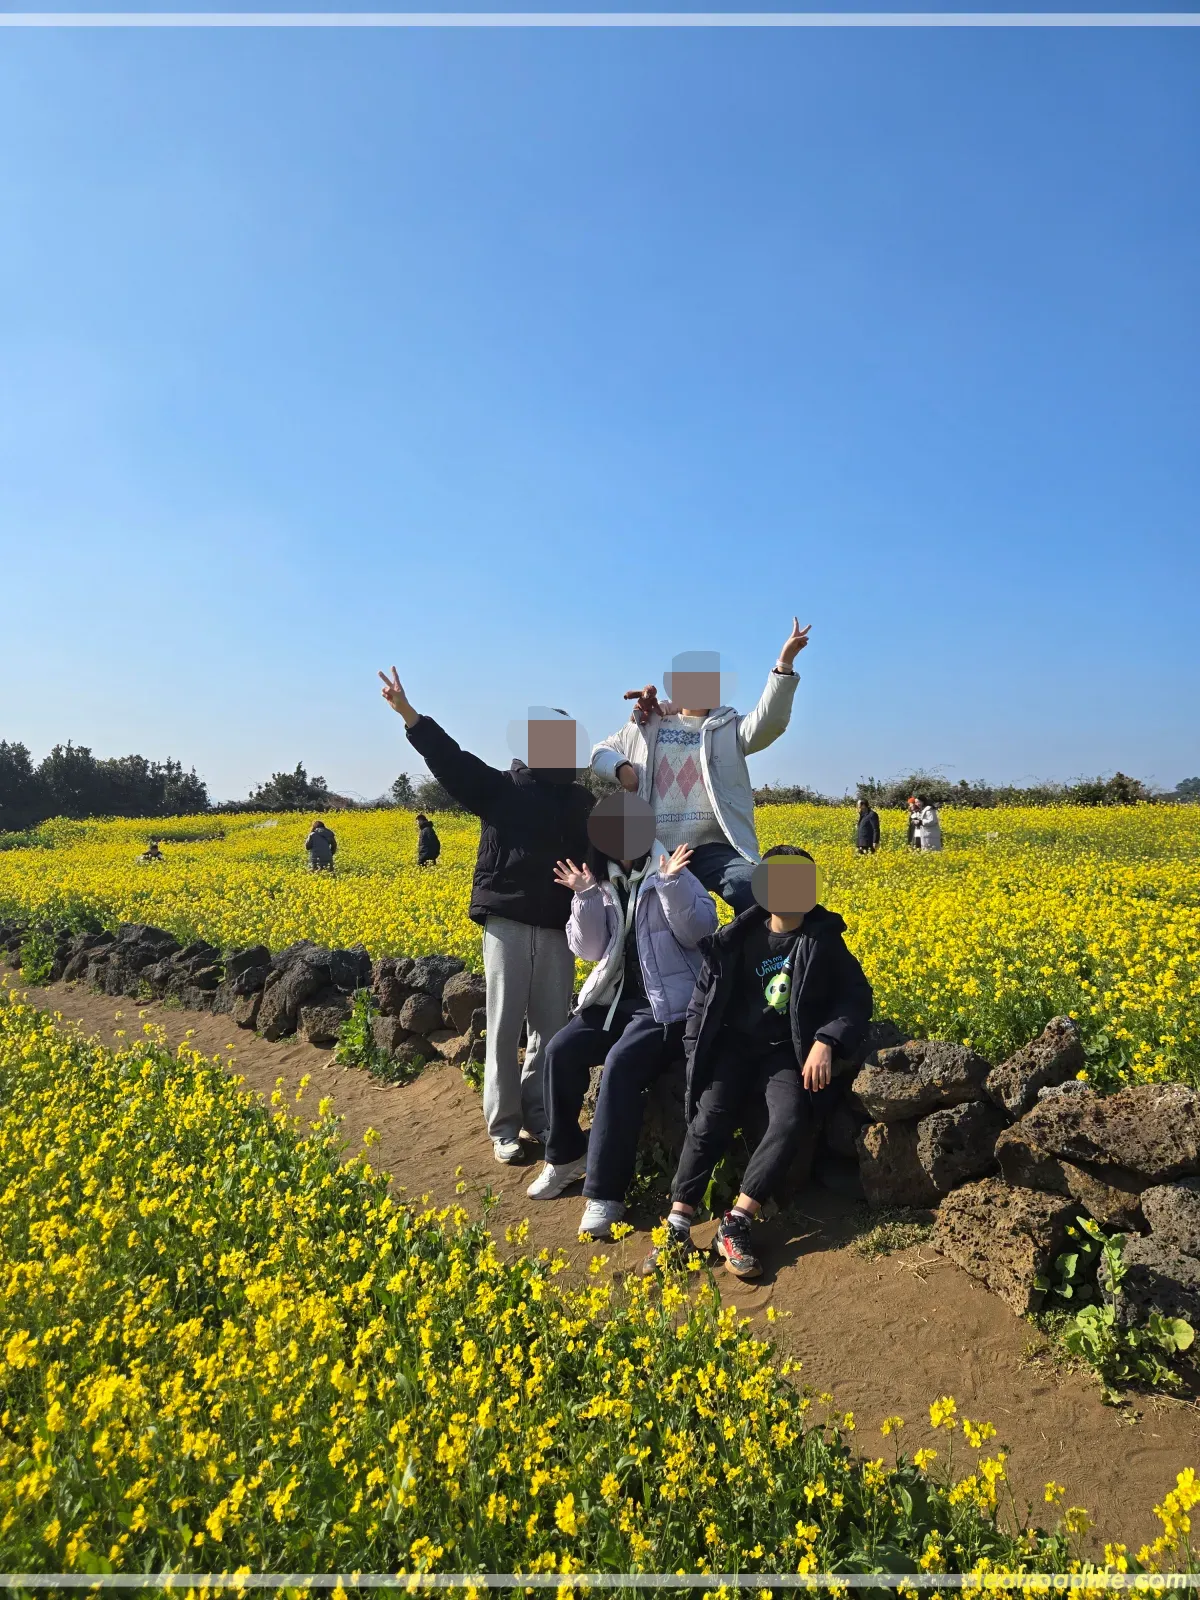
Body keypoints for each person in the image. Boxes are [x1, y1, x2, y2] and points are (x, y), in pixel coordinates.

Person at [379, 667, 594, 1164]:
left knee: (551, 1029)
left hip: (560, 926)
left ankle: (540, 1114)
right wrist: (410, 716)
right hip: (508, 922)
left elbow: (601, 854)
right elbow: (451, 763)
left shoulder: (582, 802)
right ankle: (504, 1126)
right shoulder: (502, 788)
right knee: (501, 1026)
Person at [642, 844, 872, 1282]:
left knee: (787, 1119)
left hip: (785, 1052)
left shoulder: (823, 940)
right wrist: (696, 1050)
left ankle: (737, 1222)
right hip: (732, 1048)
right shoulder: (736, 939)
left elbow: (855, 999)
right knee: (710, 1117)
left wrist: (826, 1041)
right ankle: (677, 1223)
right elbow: (700, 1003)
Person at [527, 832, 718, 1240]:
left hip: (667, 1006)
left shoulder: (673, 869)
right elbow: (590, 950)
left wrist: (671, 885)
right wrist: (585, 898)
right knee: (561, 1051)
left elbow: (700, 931)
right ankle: (565, 1157)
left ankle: (606, 1193)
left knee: (620, 1065)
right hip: (615, 1000)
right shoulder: (600, 880)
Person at [589, 619, 810, 915]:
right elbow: (600, 751)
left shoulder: (728, 727)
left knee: (756, 895)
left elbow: (770, 723)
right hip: (655, 849)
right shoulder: (647, 724)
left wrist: (784, 664)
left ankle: (749, 957)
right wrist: (621, 768)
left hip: (714, 847)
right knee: (647, 921)